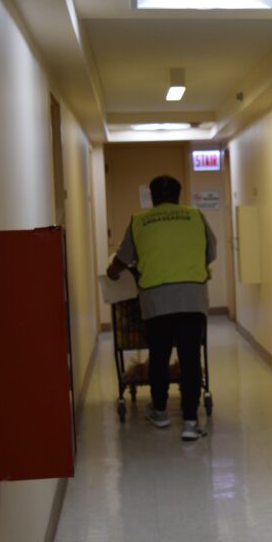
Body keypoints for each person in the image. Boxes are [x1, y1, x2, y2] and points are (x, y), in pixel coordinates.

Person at [107, 175, 216, 441]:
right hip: (192, 299)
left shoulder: (139, 221)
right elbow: (210, 253)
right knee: (190, 359)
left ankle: (160, 412)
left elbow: (123, 258)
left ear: (152, 197)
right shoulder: (195, 216)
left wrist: (113, 271)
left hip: (157, 302)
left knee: (159, 356)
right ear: (178, 196)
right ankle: (190, 422)